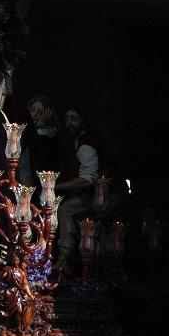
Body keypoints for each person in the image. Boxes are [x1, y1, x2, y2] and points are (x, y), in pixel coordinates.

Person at [55, 107, 101, 265]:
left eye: (74, 119)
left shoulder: (85, 143)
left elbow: (87, 179)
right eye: (66, 119)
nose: (69, 123)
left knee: (64, 209)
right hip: (87, 194)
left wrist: (57, 187)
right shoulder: (74, 141)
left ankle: (64, 257)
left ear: (83, 121)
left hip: (100, 195)